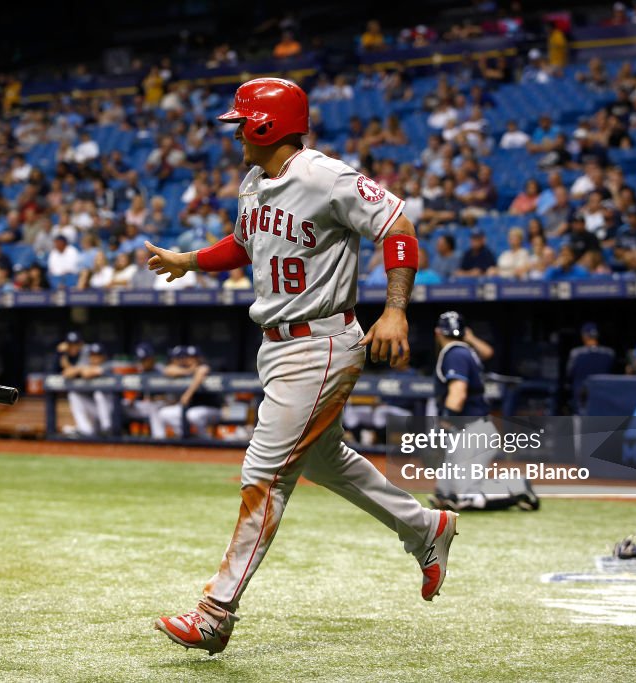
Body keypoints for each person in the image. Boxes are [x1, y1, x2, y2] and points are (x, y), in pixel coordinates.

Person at [144, 77, 457, 654]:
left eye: (241, 122)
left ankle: (215, 611)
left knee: (264, 473)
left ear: (265, 124)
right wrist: (189, 259)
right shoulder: (254, 182)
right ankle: (425, 526)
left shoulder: (324, 176)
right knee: (326, 460)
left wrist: (395, 312)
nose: (235, 132)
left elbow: (399, 227)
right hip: (278, 343)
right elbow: (244, 244)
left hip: (323, 341)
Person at [427, 312, 538, 512]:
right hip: (465, 429)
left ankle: (518, 486)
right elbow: (487, 352)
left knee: (466, 498)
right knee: (444, 495)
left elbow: (458, 394)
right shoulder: (466, 350)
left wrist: (442, 426)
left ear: (437, 332)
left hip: (473, 430)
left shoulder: (454, 353)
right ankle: (460, 492)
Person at [149, 345, 222, 438]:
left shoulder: (204, 366)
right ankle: (176, 437)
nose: (191, 360)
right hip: (192, 408)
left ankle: (204, 439)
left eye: (194, 357)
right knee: (162, 413)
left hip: (212, 408)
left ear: (200, 358)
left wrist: (188, 394)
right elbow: (168, 370)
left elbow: (202, 371)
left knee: (193, 415)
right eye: (189, 357)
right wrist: (188, 371)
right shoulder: (187, 369)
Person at [63, 343, 116, 436]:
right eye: (92, 355)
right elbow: (67, 373)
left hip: (112, 411)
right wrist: (80, 369)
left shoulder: (109, 365)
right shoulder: (85, 364)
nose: (94, 358)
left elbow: (88, 373)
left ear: (103, 357)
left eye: (97, 355)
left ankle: (107, 428)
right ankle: (85, 429)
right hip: (95, 410)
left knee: (99, 394)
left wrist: (80, 370)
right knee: (73, 395)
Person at [565, 323, 616, 414]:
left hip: (581, 395)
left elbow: (569, 374)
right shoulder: (609, 353)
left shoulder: (576, 353)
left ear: (584, 336)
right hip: (601, 394)